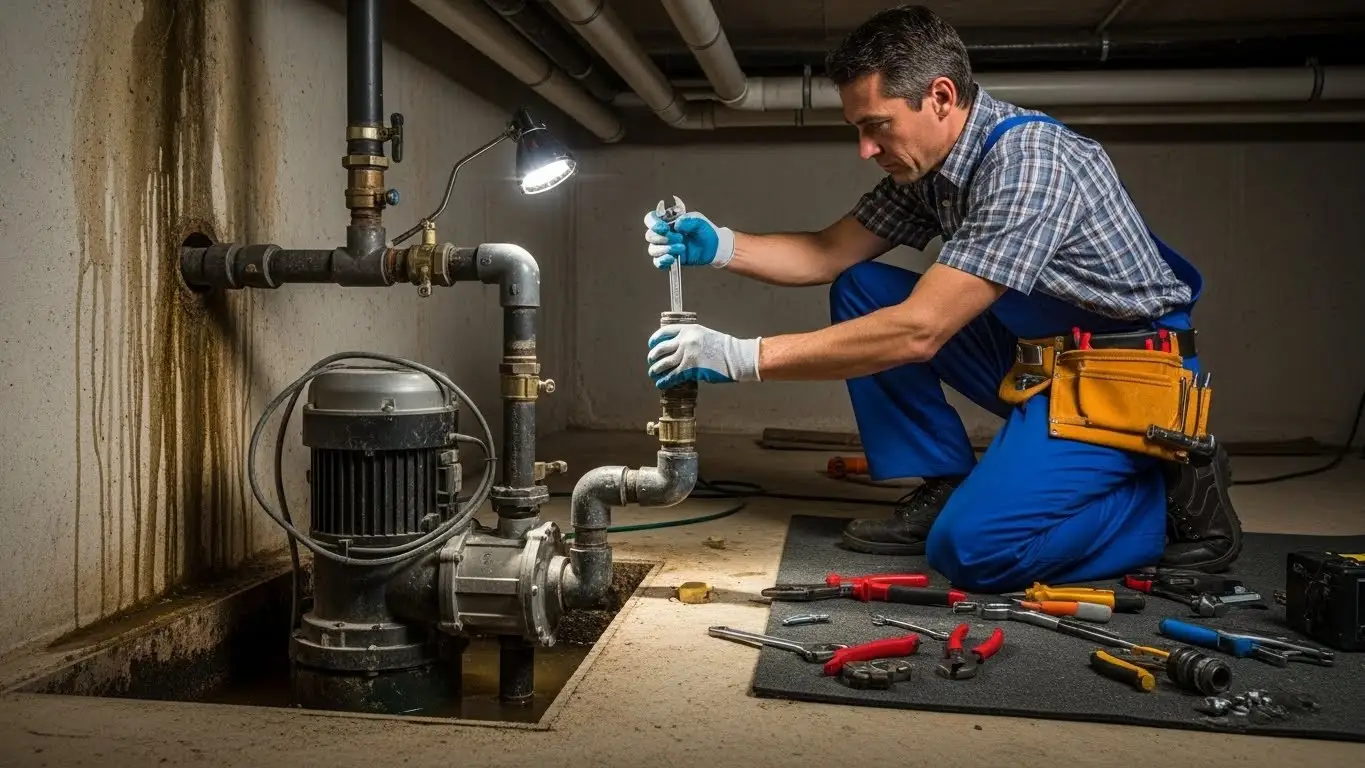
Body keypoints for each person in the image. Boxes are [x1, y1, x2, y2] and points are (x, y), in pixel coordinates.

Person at [641, 5, 1243, 592]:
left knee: (973, 551)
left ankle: (1163, 491)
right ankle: (946, 482)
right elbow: (827, 253)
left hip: (1127, 376)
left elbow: (919, 331)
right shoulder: (931, 169)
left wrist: (739, 357)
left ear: (941, 97)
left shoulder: (1030, 163)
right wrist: (719, 244)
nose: (866, 149)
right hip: (1041, 358)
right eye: (858, 129)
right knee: (862, 287)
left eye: (877, 125)